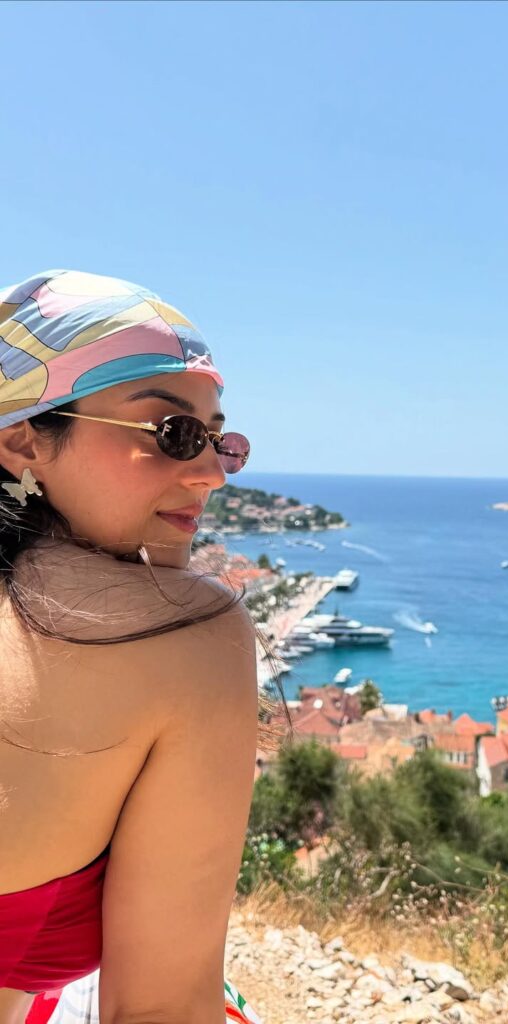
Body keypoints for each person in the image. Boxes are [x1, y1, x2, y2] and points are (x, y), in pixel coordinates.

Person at [0, 271, 262, 1024]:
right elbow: (162, 1008)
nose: (211, 474)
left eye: (219, 441)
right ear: (23, 437)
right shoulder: (185, 636)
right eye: (172, 433)